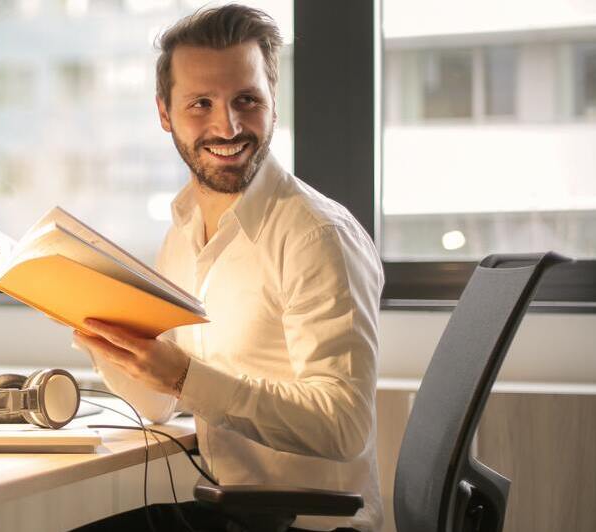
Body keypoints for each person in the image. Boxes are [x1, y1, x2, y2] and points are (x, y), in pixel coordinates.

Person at [73, 4, 383, 531]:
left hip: (312, 526)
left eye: (246, 100)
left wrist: (185, 375)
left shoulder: (317, 235)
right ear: (164, 113)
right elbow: (157, 405)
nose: (228, 125)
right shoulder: (183, 228)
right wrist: (101, 334)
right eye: (200, 104)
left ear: (272, 103)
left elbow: (344, 425)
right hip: (232, 513)